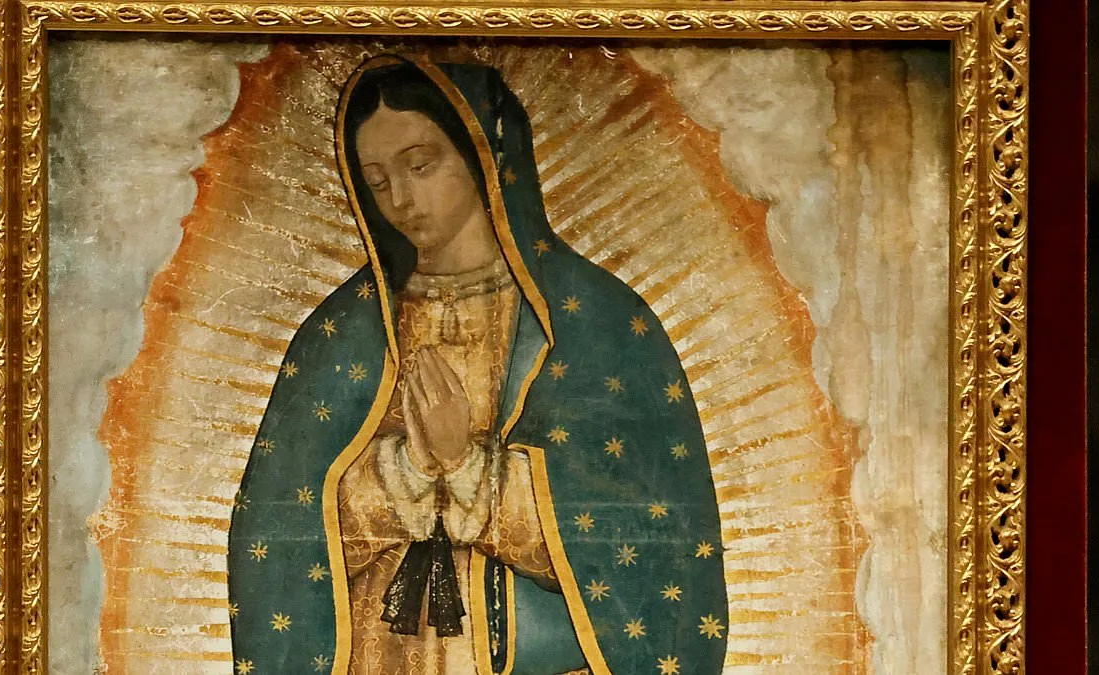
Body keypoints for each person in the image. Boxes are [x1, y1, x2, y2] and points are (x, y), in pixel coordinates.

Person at [227, 54, 728, 675]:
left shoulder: (590, 324)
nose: (401, 200)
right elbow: (278, 541)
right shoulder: (343, 336)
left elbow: (648, 546)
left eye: (420, 165)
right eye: (377, 181)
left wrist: (468, 467)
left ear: (483, 156)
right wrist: (404, 473)